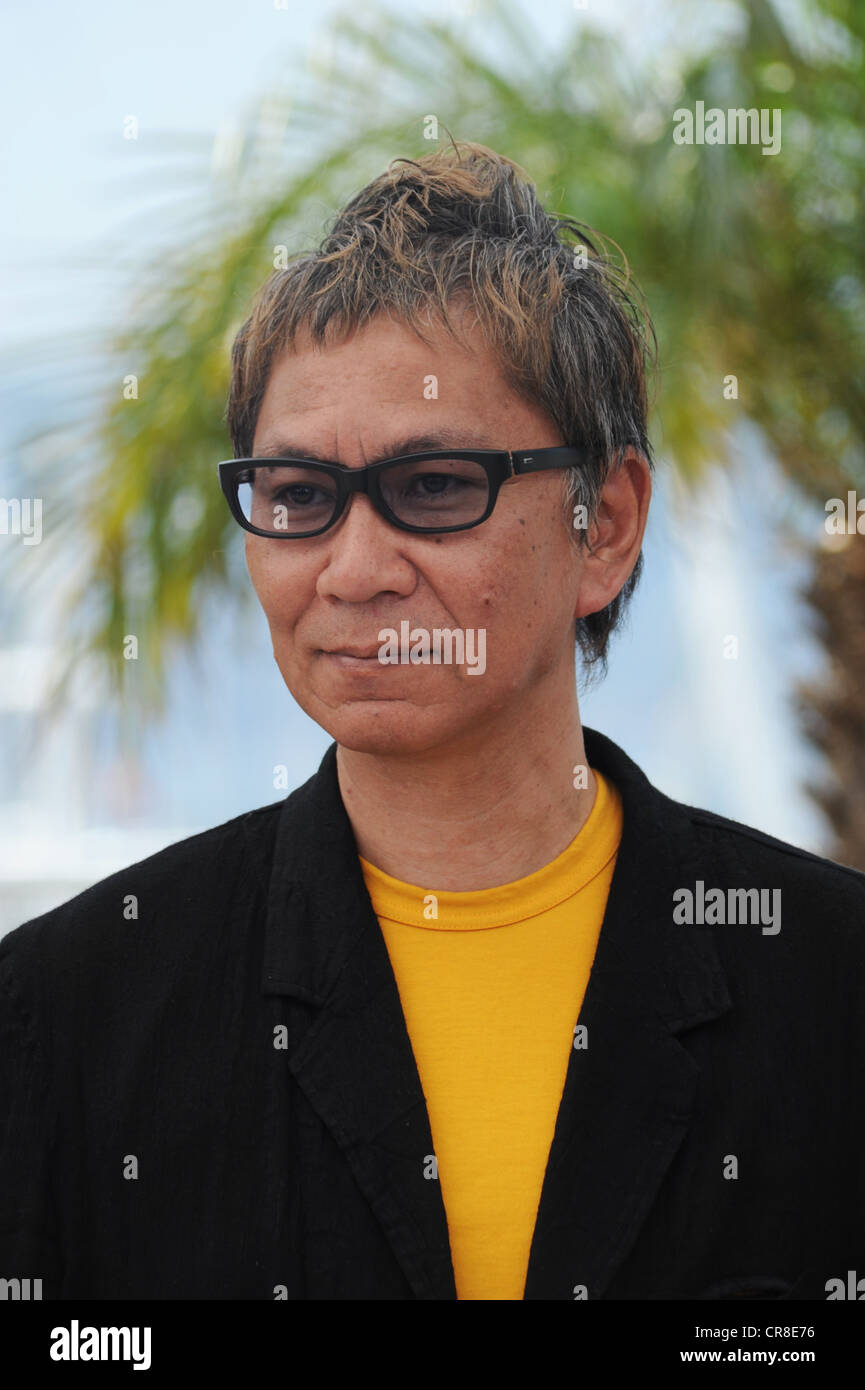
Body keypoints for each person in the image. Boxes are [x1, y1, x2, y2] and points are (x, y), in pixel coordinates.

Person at [1, 140, 863, 1302]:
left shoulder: (828, 991)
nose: (354, 569)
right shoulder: (66, 1016)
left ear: (602, 522)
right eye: (298, 496)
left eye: (435, 487)